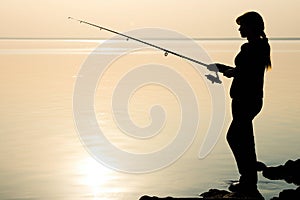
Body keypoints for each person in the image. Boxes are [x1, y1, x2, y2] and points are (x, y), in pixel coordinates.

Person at [208, 11, 272, 198]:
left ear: (251, 26)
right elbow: (246, 70)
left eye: (242, 25)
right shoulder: (261, 46)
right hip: (250, 99)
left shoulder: (251, 48)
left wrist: (230, 72)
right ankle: (249, 180)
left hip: (246, 99)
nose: (239, 29)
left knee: (234, 137)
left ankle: (248, 178)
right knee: (244, 139)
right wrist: (225, 69)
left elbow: (246, 72)